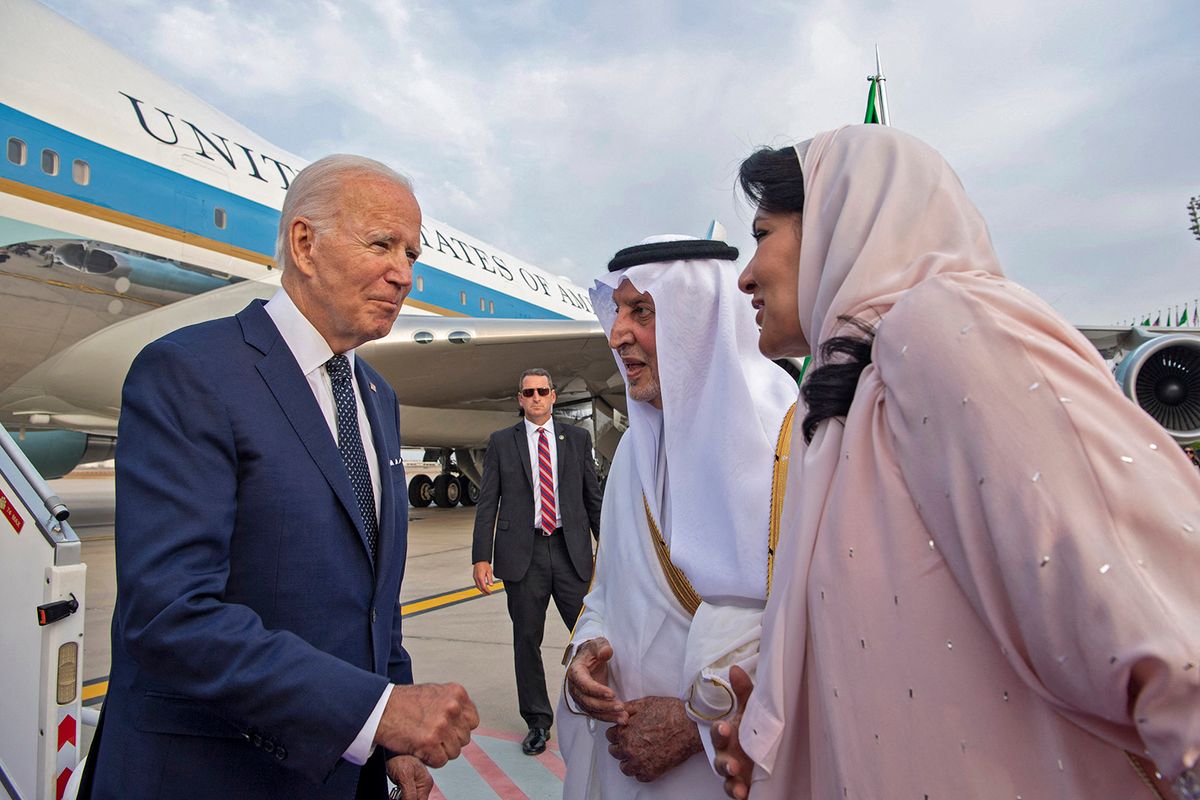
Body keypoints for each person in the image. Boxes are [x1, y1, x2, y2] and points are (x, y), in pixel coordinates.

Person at [711, 125, 1200, 800]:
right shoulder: (845, 402)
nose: (744, 274)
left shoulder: (944, 323)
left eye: (762, 234)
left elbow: (1140, 604)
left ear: (836, 222)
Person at [82, 155, 479, 800]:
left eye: (412, 254)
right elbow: (169, 614)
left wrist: (388, 739)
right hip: (212, 774)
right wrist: (374, 713)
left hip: (335, 771)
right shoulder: (191, 371)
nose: (403, 275)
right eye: (383, 244)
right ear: (305, 244)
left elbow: (373, 603)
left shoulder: (375, 395)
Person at [558, 236, 796, 798]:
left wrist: (693, 725)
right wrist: (586, 652)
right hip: (625, 762)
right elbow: (605, 593)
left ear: (699, 320)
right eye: (616, 312)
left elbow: (815, 626)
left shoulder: (787, 441)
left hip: (728, 766)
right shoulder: (631, 455)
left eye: (642, 311)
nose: (618, 334)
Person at [470, 368, 603, 755]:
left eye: (542, 391)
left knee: (590, 634)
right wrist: (482, 556)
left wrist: (610, 547)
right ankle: (537, 723)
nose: (535, 398)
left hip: (569, 551)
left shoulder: (576, 439)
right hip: (522, 555)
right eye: (528, 393)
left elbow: (593, 499)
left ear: (553, 396)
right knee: (526, 640)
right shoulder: (501, 442)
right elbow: (487, 503)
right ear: (520, 399)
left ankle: (602, 705)